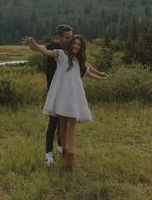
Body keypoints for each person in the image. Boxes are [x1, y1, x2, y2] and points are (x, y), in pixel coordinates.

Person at [22, 24, 107, 165]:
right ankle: (49, 153)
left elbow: (85, 65)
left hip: (69, 92)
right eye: (68, 37)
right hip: (55, 90)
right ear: (60, 37)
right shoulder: (56, 48)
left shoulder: (73, 53)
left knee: (65, 122)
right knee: (54, 122)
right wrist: (33, 44)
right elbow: (42, 49)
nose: (71, 39)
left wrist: (99, 73)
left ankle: (63, 149)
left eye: (72, 37)